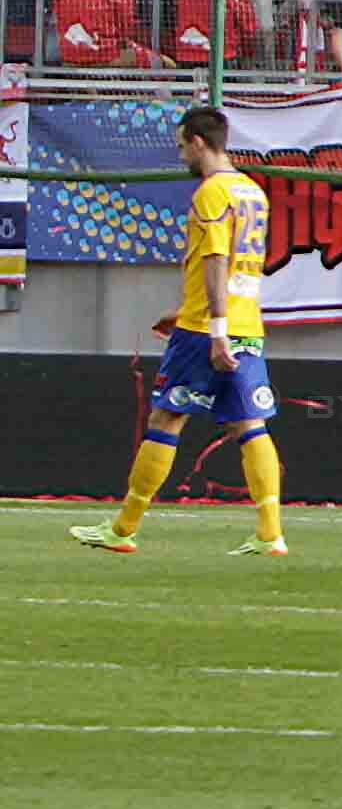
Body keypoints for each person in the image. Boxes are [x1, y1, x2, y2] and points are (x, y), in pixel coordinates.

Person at [71, 106, 285, 557]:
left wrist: (214, 328)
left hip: (209, 331)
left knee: (166, 419)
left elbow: (217, 260)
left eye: (182, 144)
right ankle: (271, 533)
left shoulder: (211, 193)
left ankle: (123, 530)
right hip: (246, 324)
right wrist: (194, 310)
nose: (181, 153)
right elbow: (243, 269)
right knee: (251, 424)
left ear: (198, 141)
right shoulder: (253, 193)